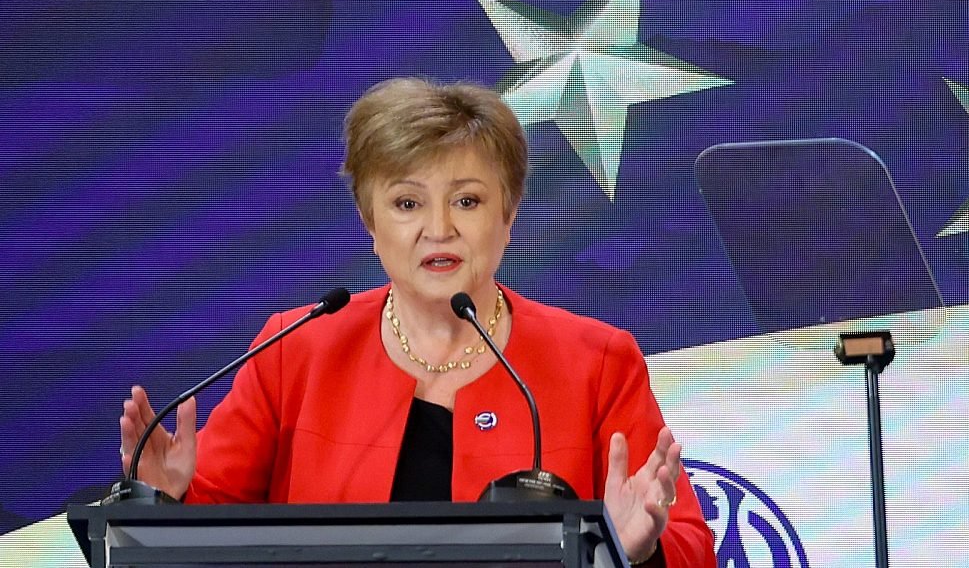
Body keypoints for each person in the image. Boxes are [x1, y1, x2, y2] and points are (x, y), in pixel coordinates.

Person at [119, 77, 717, 566]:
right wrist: (169, 502)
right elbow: (215, 532)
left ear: (509, 216)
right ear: (370, 221)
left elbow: (687, 543)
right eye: (407, 203)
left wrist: (637, 551)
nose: (439, 229)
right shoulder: (294, 350)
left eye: (467, 201)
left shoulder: (597, 362)